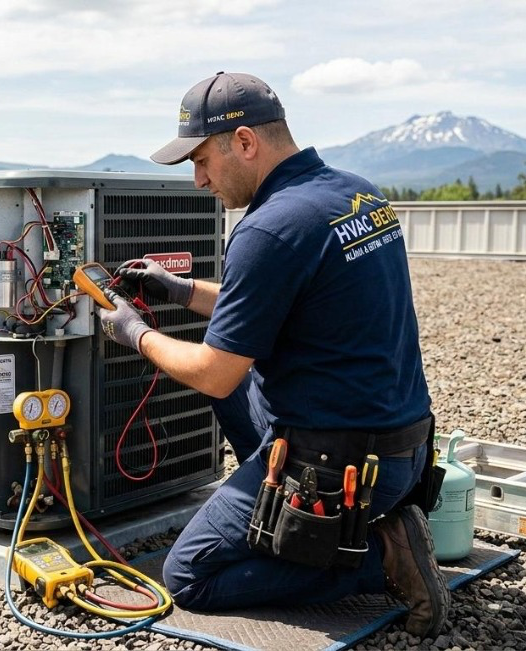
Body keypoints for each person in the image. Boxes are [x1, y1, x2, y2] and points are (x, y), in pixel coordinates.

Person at [97, 71, 449, 638]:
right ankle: (280, 515)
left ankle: (379, 555)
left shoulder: (268, 228)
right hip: (403, 448)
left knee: (189, 576)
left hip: (341, 467)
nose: (198, 180)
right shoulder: (358, 194)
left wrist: (135, 332)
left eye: (203, 160)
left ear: (244, 142)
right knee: (244, 376)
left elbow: (214, 375)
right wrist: (181, 289)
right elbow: (273, 304)